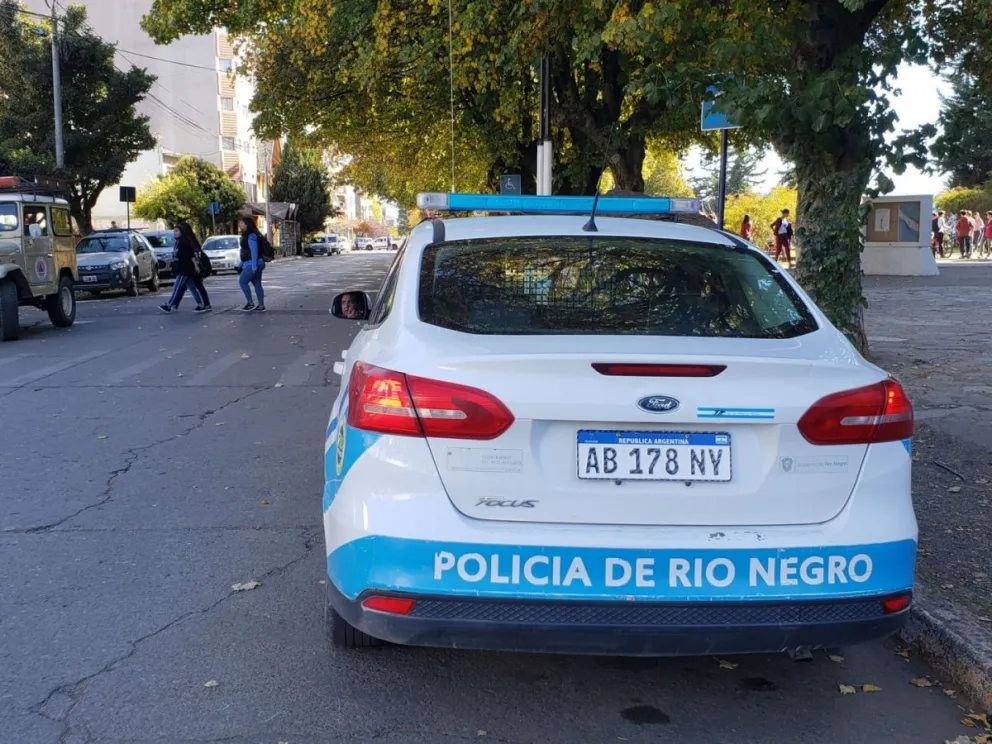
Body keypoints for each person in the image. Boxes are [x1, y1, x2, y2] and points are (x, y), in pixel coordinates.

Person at [159, 222, 208, 313]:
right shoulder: (178, 242)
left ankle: (169, 305)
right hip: (182, 269)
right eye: (174, 231)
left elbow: (191, 255)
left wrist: (196, 265)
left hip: (184, 269)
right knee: (192, 288)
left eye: (177, 231)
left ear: (181, 232)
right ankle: (200, 304)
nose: (175, 233)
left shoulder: (184, 242)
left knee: (177, 287)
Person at [238, 216, 266, 312]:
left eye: (241, 223)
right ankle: (261, 305)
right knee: (257, 283)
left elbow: (254, 251)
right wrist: (241, 263)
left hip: (253, 263)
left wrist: (254, 266)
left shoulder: (251, 235)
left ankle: (250, 303)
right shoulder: (248, 234)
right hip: (252, 262)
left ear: (246, 224)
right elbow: (246, 251)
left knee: (242, 281)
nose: (239, 224)